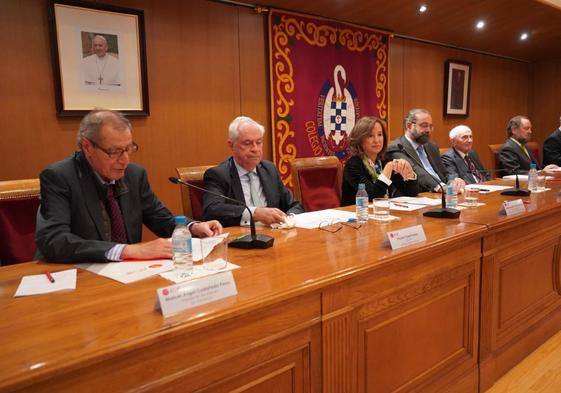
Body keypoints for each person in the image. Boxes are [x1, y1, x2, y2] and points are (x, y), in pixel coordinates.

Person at [35, 109, 222, 263]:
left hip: (127, 275)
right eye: (115, 151)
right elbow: (54, 241)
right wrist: (127, 251)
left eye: (128, 148)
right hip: (78, 277)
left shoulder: (134, 175)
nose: (124, 160)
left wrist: (193, 227)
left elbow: (159, 218)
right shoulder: (60, 177)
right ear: (87, 147)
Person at [203, 116, 304, 227]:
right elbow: (212, 210)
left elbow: (294, 205)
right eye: (247, 143)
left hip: (276, 234)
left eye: (259, 142)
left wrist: (287, 220)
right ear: (231, 145)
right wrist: (255, 213)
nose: (255, 149)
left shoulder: (269, 169)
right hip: (241, 238)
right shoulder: (219, 175)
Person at [341, 116, 418, 206]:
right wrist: (388, 169)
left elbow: (411, 193)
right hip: (357, 215)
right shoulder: (353, 165)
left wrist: (410, 173)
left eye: (380, 135)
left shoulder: (383, 161)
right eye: (370, 136)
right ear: (360, 139)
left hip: (383, 214)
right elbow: (372, 196)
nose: (377, 140)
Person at [386, 108, 465, 193]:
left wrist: (454, 180)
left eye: (430, 126)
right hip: (421, 195)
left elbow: (444, 172)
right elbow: (416, 171)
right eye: (424, 126)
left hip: (445, 194)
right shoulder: (397, 147)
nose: (428, 130)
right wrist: (441, 187)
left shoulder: (432, 147)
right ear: (409, 126)